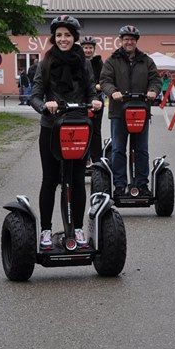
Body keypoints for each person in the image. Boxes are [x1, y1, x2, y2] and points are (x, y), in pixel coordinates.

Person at [29, 15, 103, 249]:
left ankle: (78, 229)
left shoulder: (84, 63)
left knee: (77, 180)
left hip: (78, 126)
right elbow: (35, 95)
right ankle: (47, 231)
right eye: (59, 35)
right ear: (54, 37)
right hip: (51, 128)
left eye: (67, 35)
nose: (63, 39)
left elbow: (91, 89)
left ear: (75, 38)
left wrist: (95, 101)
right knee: (50, 180)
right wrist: (45, 106)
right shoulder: (46, 62)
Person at [99, 24, 161, 196]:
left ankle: (142, 185)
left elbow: (156, 79)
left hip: (141, 110)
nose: (129, 42)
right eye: (126, 39)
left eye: (132, 39)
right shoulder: (112, 60)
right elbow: (104, 80)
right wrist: (113, 92)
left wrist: (153, 91)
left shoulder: (146, 60)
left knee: (141, 149)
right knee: (118, 148)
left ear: (136, 41)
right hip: (119, 112)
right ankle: (119, 186)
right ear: (121, 40)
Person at [80, 36, 105, 164]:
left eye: (90, 48)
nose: (88, 50)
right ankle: (83, 158)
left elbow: (104, 79)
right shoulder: (78, 61)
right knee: (82, 129)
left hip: (96, 100)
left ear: (94, 49)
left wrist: (98, 86)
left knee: (95, 131)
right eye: (85, 48)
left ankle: (96, 160)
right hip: (81, 100)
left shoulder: (98, 62)